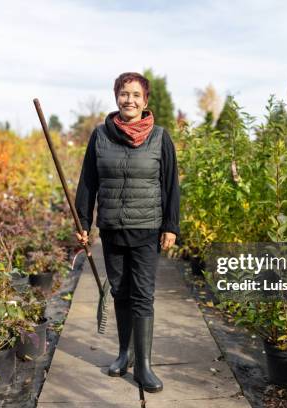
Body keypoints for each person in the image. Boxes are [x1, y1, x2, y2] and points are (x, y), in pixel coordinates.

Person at [74, 72, 180, 393]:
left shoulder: (160, 137)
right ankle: (124, 354)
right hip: (112, 229)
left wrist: (171, 226)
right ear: (116, 97)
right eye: (124, 94)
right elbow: (88, 183)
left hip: (147, 229)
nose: (129, 100)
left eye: (136, 95)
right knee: (119, 290)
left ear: (145, 101)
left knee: (142, 295)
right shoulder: (100, 136)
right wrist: (83, 224)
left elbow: (170, 184)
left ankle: (144, 366)